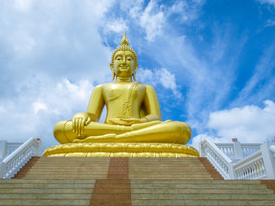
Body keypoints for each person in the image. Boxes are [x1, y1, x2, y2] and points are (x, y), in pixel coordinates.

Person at [53, 33, 191, 144]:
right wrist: (81, 116)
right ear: (111, 66)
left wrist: (140, 122)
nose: (124, 62)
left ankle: (115, 138)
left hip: (138, 126)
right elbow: (93, 116)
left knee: (181, 129)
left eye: (129, 59)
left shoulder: (146, 88)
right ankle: (128, 136)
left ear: (135, 67)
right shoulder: (101, 88)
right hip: (110, 128)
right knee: (61, 128)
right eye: (119, 59)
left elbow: (156, 117)